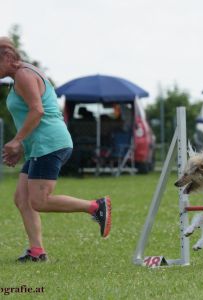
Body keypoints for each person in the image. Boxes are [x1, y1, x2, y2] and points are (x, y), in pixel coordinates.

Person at [0, 37, 111, 262]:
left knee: (39, 201)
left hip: (49, 144)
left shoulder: (24, 75)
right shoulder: (19, 75)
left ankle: (95, 206)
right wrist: (23, 144)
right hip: (38, 146)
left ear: (9, 57)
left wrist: (17, 140)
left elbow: (37, 111)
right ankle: (37, 252)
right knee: (22, 198)